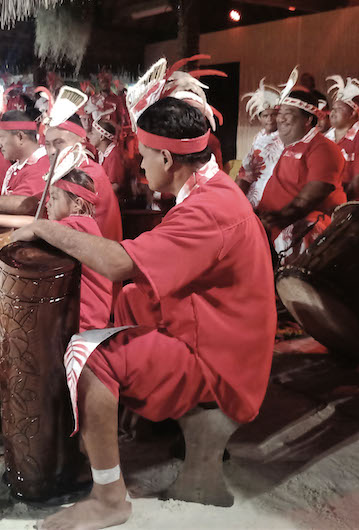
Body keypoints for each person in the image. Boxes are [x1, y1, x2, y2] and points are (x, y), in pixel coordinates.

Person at [17, 97, 274, 530]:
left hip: (221, 363)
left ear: (168, 157)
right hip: (214, 333)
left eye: (144, 154)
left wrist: (46, 228)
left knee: (90, 354)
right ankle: (105, 427)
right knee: (128, 301)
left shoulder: (212, 208)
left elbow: (118, 262)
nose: (139, 164)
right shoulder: (210, 190)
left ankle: (109, 498)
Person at [0, 168, 112, 332]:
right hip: (84, 321)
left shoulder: (78, 225)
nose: (47, 203)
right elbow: (40, 225)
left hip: (83, 325)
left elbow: (36, 227)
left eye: (55, 198)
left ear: (77, 205)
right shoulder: (81, 225)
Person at [256, 74, 346, 263]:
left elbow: (308, 200)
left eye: (288, 114)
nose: (280, 119)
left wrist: (274, 219)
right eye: (280, 113)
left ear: (307, 120)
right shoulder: (284, 145)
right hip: (271, 223)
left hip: (300, 227)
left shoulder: (323, 148)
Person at [43, 114, 122, 242]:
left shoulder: (87, 173)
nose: (52, 150)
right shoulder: (66, 170)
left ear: (81, 142)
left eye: (59, 142)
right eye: (47, 144)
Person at [237, 78, 283, 208]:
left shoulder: (284, 136)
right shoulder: (259, 137)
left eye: (273, 115)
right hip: (255, 187)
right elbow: (248, 166)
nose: (270, 119)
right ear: (259, 118)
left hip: (274, 188)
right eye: (265, 116)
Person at [87, 117, 126, 195]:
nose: (89, 136)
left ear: (101, 137)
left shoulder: (114, 155)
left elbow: (115, 186)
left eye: (93, 133)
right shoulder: (102, 153)